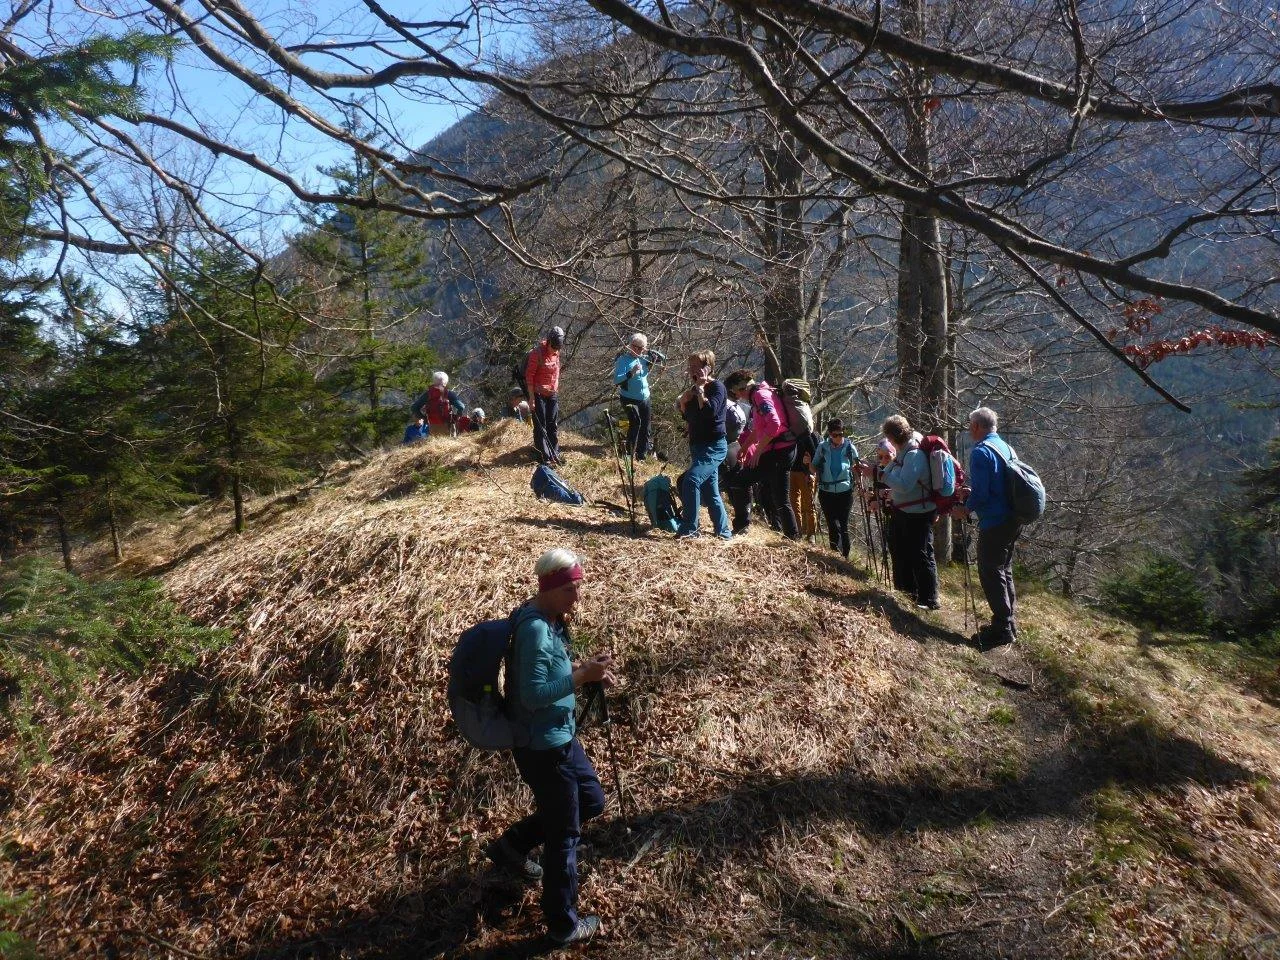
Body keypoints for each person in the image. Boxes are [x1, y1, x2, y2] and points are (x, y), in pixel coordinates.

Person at [486, 549, 614, 946]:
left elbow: (554, 674)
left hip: (562, 736)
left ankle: (513, 845)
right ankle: (563, 925)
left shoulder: (552, 620)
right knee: (565, 835)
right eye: (573, 590)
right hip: (543, 747)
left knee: (592, 800)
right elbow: (533, 695)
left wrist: (586, 673)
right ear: (553, 587)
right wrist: (579, 678)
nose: (578, 598)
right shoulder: (536, 631)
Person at [955, 406, 1021, 647]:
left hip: (995, 520)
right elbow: (997, 486)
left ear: (976, 426)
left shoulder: (981, 452)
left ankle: (1002, 629)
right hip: (1013, 518)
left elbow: (982, 495)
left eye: (970, 425)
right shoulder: (1005, 447)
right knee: (1004, 570)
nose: (969, 429)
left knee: (991, 572)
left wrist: (965, 508)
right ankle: (1008, 623)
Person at [725, 370, 799, 540]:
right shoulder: (761, 394)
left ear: (741, 388)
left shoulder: (760, 396)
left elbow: (774, 424)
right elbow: (759, 428)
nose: (735, 395)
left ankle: (742, 525)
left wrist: (757, 451)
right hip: (783, 450)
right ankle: (791, 535)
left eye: (734, 391)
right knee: (780, 496)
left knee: (740, 481)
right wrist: (745, 448)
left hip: (778, 452)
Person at [880, 415, 940, 610]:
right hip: (905, 510)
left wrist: (882, 475)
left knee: (921, 555)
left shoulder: (914, 453)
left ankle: (928, 599)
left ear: (894, 436)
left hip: (919, 513)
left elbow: (905, 485)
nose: (888, 441)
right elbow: (896, 470)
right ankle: (906, 593)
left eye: (889, 437)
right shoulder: (905, 448)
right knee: (900, 551)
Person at [675, 350, 732, 540]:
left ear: (707, 367)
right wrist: (683, 404)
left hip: (714, 446)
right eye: (690, 366)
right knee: (711, 490)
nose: (692, 370)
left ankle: (690, 529)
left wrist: (700, 391)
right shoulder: (692, 390)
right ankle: (724, 532)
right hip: (697, 446)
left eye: (696, 366)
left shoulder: (717, 387)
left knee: (690, 480)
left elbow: (710, 412)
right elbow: (690, 417)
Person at [812, 419, 859, 558]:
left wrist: (860, 484)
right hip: (826, 491)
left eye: (840, 434)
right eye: (834, 435)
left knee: (843, 525)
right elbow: (814, 467)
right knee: (832, 524)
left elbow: (857, 469)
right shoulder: (822, 447)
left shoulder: (850, 447)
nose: (838, 437)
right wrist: (808, 464)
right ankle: (834, 556)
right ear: (830, 434)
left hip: (845, 491)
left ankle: (844, 557)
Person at [526, 326, 564, 465]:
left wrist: (555, 387)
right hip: (538, 393)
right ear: (548, 342)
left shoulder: (557, 352)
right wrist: (531, 398)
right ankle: (543, 455)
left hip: (552, 393)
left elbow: (557, 371)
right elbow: (529, 376)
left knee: (552, 424)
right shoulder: (537, 354)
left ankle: (555, 452)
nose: (554, 350)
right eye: (552, 347)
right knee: (540, 425)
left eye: (557, 348)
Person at [613, 332, 653, 460]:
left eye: (640, 348)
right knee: (635, 423)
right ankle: (628, 455)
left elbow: (662, 358)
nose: (637, 350)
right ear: (629, 346)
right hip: (628, 397)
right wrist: (631, 372)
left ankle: (641, 455)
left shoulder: (644, 358)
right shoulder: (623, 360)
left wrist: (653, 354)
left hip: (645, 397)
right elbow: (617, 380)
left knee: (646, 426)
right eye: (634, 346)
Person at [720, 396, 752, 535]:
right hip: (736, 446)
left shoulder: (716, 403)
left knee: (735, 486)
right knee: (737, 486)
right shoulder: (736, 406)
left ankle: (740, 524)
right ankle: (743, 523)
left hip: (726, 447)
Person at [790, 427, 820, 542]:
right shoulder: (791, 433)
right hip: (792, 471)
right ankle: (798, 531)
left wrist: (809, 471)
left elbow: (815, 455)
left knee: (809, 503)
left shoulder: (811, 435)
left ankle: (811, 534)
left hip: (806, 473)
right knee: (794, 503)